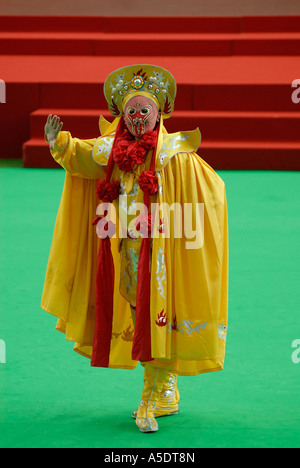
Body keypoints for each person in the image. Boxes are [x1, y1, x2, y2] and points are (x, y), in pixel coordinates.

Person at [41, 64, 229, 433]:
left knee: (155, 311)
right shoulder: (112, 147)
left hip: (162, 251)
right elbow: (83, 157)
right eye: (132, 112)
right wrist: (58, 143)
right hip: (124, 248)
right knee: (134, 303)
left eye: (145, 111)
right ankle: (166, 386)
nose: (139, 118)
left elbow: (210, 188)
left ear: (160, 113)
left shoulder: (174, 153)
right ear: (122, 115)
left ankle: (151, 396)